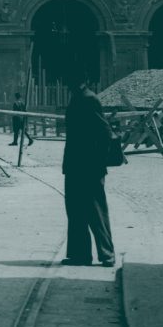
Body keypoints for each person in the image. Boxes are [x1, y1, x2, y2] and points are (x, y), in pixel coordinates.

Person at [61, 67, 115, 266]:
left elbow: (105, 133)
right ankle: (79, 254)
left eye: (68, 80)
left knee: (96, 211)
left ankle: (107, 254)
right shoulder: (77, 97)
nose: (66, 84)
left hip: (89, 167)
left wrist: (98, 164)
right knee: (75, 211)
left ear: (78, 79)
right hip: (75, 165)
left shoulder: (89, 99)